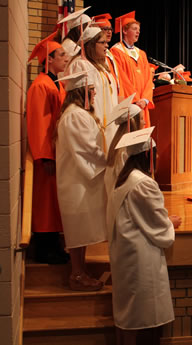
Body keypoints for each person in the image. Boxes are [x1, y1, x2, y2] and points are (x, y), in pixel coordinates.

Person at [106, 128, 180, 345]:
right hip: (140, 258)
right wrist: (171, 224)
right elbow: (156, 225)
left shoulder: (123, 178)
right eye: (155, 153)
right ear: (147, 156)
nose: (158, 157)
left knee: (126, 316)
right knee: (138, 317)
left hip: (125, 253)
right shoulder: (144, 183)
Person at [55, 70, 107, 291]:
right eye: (91, 90)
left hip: (80, 179)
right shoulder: (74, 115)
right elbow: (87, 148)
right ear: (81, 92)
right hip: (75, 182)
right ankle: (77, 275)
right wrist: (110, 158)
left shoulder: (77, 113)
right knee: (77, 231)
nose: (94, 94)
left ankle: (80, 272)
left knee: (82, 230)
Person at [27, 33, 69, 264]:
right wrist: (44, 156)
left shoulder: (57, 84)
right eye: (61, 55)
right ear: (49, 59)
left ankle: (54, 246)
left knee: (54, 203)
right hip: (46, 155)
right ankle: (44, 249)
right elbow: (38, 123)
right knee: (45, 204)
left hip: (57, 152)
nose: (66, 58)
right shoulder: (40, 85)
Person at [65, 26, 119, 150]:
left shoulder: (101, 66)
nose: (106, 46)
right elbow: (83, 96)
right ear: (91, 44)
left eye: (107, 42)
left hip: (108, 122)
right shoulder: (81, 64)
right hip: (94, 122)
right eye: (102, 42)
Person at [110, 11, 154, 128]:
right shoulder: (116, 51)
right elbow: (121, 79)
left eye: (139, 29)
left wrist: (144, 99)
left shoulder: (141, 54)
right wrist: (135, 100)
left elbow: (148, 80)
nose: (138, 32)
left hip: (142, 105)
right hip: (129, 104)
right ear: (124, 31)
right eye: (134, 29)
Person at [104, 101, 144, 197]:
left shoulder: (118, 146)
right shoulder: (125, 150)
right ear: (133, 122)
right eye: (142, 119)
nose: (145, 122)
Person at [91, 13, 123, 97]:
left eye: (110, 29)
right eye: (105, 29)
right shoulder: (95, 54)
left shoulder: (109, 53)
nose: (109, 32)